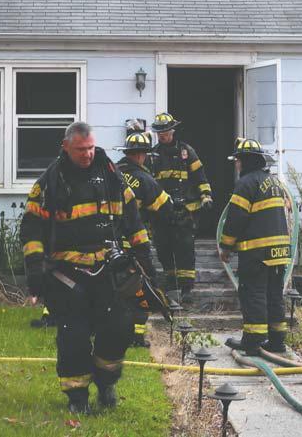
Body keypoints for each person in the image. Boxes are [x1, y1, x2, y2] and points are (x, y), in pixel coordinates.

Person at [19, 122, 152, 414]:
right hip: (67, 274)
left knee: (119, 327)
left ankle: (106, 384)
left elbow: (132, 218)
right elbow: (31, 231)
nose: (88, 154)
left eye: (91, 148)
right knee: (74, 336)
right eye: (81, 149)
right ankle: (77, 398)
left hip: (107, 270)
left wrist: (144, 258)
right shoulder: (50, 183)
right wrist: (35, 275)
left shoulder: (111, 175)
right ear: (66, 147)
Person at [219, 138, 291, 356]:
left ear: (245, 161)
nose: (236, 164)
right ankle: (277, 341)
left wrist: (226, 246)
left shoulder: (246, 184)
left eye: (238, 160)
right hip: (280, 252)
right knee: (274, 295)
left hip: (257, 253)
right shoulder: (275, 182)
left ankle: (253, 342)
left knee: (254, 294)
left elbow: (235, 218)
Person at [115, 132, 173, 347]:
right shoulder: (144, 179)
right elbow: (165, 208)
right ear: (141, 156)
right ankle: (137, 336)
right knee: (141, 287)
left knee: (111, 290)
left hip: (108, 244)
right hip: (134, 244)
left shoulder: (111, 174)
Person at [149, 113, 212, 300]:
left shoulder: (187, 152)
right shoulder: (152, 155)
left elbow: (200, 176)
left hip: (186, 209)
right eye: (160, 133)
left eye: (166, 132)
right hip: (162, 211)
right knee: (163, 247)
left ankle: (186, 290)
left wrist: (206, 196)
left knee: (185, 248)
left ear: (172, 131)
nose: (163, 136)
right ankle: (171, 285)